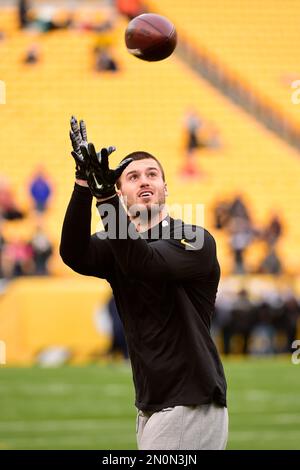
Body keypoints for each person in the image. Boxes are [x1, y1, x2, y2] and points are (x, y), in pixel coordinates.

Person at [60, 116, 228, 450]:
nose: (144, 180)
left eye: (152, 174)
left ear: (166, 188)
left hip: (189, 401)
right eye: (133, 177)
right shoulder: (119, 242)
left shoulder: (193, 238)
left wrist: (105, 196)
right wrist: (83, 185)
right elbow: (73, 253)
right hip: (153, 403)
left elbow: (144, 263)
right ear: (123, 191)